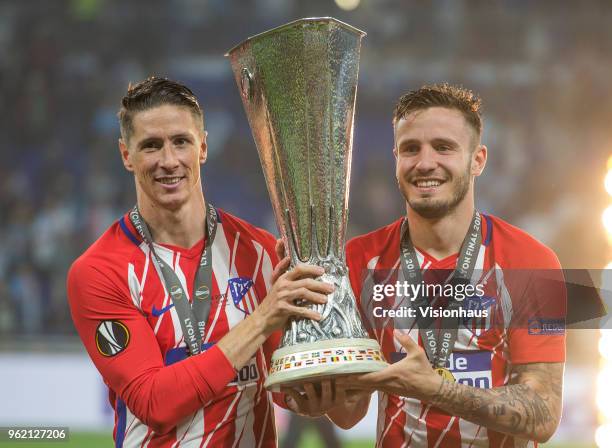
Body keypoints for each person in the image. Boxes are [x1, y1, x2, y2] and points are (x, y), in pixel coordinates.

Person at [67, 77, 335, 447]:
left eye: (181, 141)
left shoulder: (256, 249)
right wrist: (263, 319)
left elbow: (287, 391)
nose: (168, 160)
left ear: (203, 147)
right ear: (126, 155)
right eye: (150, 146)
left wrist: (330, 377)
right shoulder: (99, 271)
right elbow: (155, 403)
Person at [334, 84, 566, 446]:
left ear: (478, 160)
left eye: (444, 147)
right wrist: (314, 386)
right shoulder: (358, 259)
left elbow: (544, 411)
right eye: (411, 149)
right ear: (395, 157)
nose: (425, 163)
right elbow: (348, 413)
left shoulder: (533, 262)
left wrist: (437, 389)